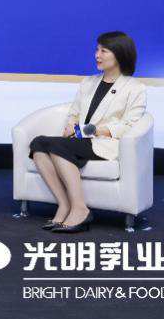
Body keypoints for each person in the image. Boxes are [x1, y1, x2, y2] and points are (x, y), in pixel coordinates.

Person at [29, 31, 147, 233]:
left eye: (104, 51)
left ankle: (80, 209)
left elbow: (129, 125)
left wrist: (90, 130)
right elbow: (74, 112)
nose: (97, 55)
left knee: (53, 145)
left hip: (105, 143)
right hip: (81, 141)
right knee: (38, 145)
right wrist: (71, 125)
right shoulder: (89, 82)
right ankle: (64, 205)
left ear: (120, 54)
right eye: (96, 50)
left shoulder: (135, 88)